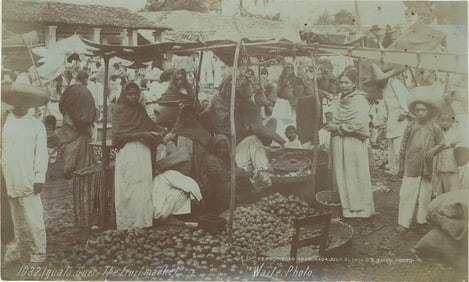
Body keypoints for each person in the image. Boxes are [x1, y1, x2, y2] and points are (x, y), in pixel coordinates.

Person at [1, 82, 49, 263]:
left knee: (34, 219)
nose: (21, 103)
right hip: (7, 177)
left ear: (31, 103)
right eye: (17, 99)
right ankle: (13, 251)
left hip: (28, 177)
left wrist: (39, 177)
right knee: (10, 220)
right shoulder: (4, 122)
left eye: (25, 100)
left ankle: (38, 252)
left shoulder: (36, 125)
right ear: (12, 100)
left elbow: (41, 153)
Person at [325, 68, 375, 218]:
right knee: (341, 173)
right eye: (341, 82)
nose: (343, 85)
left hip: (352, 142)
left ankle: (359, 209)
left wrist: (338, 127)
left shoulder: (359, 100)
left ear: (354, 84)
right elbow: (335, 116)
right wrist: (331, 124)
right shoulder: (340, 99)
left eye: (347, 82)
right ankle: (345, 208)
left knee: (354, 173)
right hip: (338, 142)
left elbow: (359, 123)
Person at [112, 82, 163, 230]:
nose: (134, 97)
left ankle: (143, 221)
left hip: (143, 151)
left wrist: (160, 130)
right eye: (130, 94)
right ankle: (127, 222)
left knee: (143, 186)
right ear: (124, 94)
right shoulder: (118, 110)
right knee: (129, 187)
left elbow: (150, 125)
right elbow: (118, 136)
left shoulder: (140, 109)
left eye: (136, 94)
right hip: (128, 152)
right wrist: (142, 134)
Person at [397, 88, 445, 234]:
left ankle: (421, 220)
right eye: (417, 110)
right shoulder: (410, 126)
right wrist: (401, 165)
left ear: (429, 111)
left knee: (425, 193)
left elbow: (442, 143)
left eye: (423, 110)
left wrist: (433, 150)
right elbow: (403, 146)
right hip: (411, 165)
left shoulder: (435, 127)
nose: (420, 113)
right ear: (414, 111)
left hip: (427, 167)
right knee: (407, 193)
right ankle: (403, 222)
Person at [363, 64, 409, 175]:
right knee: (392, 150)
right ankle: (394, 171)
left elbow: (405, 98)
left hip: (401, 121)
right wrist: (375, 122)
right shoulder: (384, 90)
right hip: (392, 123)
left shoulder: (395, 84)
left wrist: (404, 112)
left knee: (399, 149)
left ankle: (402, 172)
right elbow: (384, 109)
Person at [58, 70, 96, 178]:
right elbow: (91, 109)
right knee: (80, 146)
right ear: (85, 79)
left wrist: (67, 115)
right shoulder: (86, 91)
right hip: (82, 124)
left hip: (69, 121)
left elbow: (61, 103)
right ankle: (80, 167)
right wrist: (87, 121)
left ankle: (68, 168)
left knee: (69, 145)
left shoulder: (69, 89)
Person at [432, 109, 462, 196]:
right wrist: (447, 145)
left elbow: (458, 141)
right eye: (442, 120)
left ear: (452, 122)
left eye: (447, 121)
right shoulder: (437, 132)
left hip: (452, 163)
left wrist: (451, 144)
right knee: (440, 183)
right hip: (440, 164)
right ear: (438, 121)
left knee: (453, 185)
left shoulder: (455, 132)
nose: (445, 123)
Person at [206, 134, 231, 213]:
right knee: (229, 186)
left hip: (222, 183)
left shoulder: (226, 159)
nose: (221, 150)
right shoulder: (211, 159)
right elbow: (221, 177)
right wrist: (232, 173)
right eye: (219, 147)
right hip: (213, 187)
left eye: (224, 148)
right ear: (214, 147)